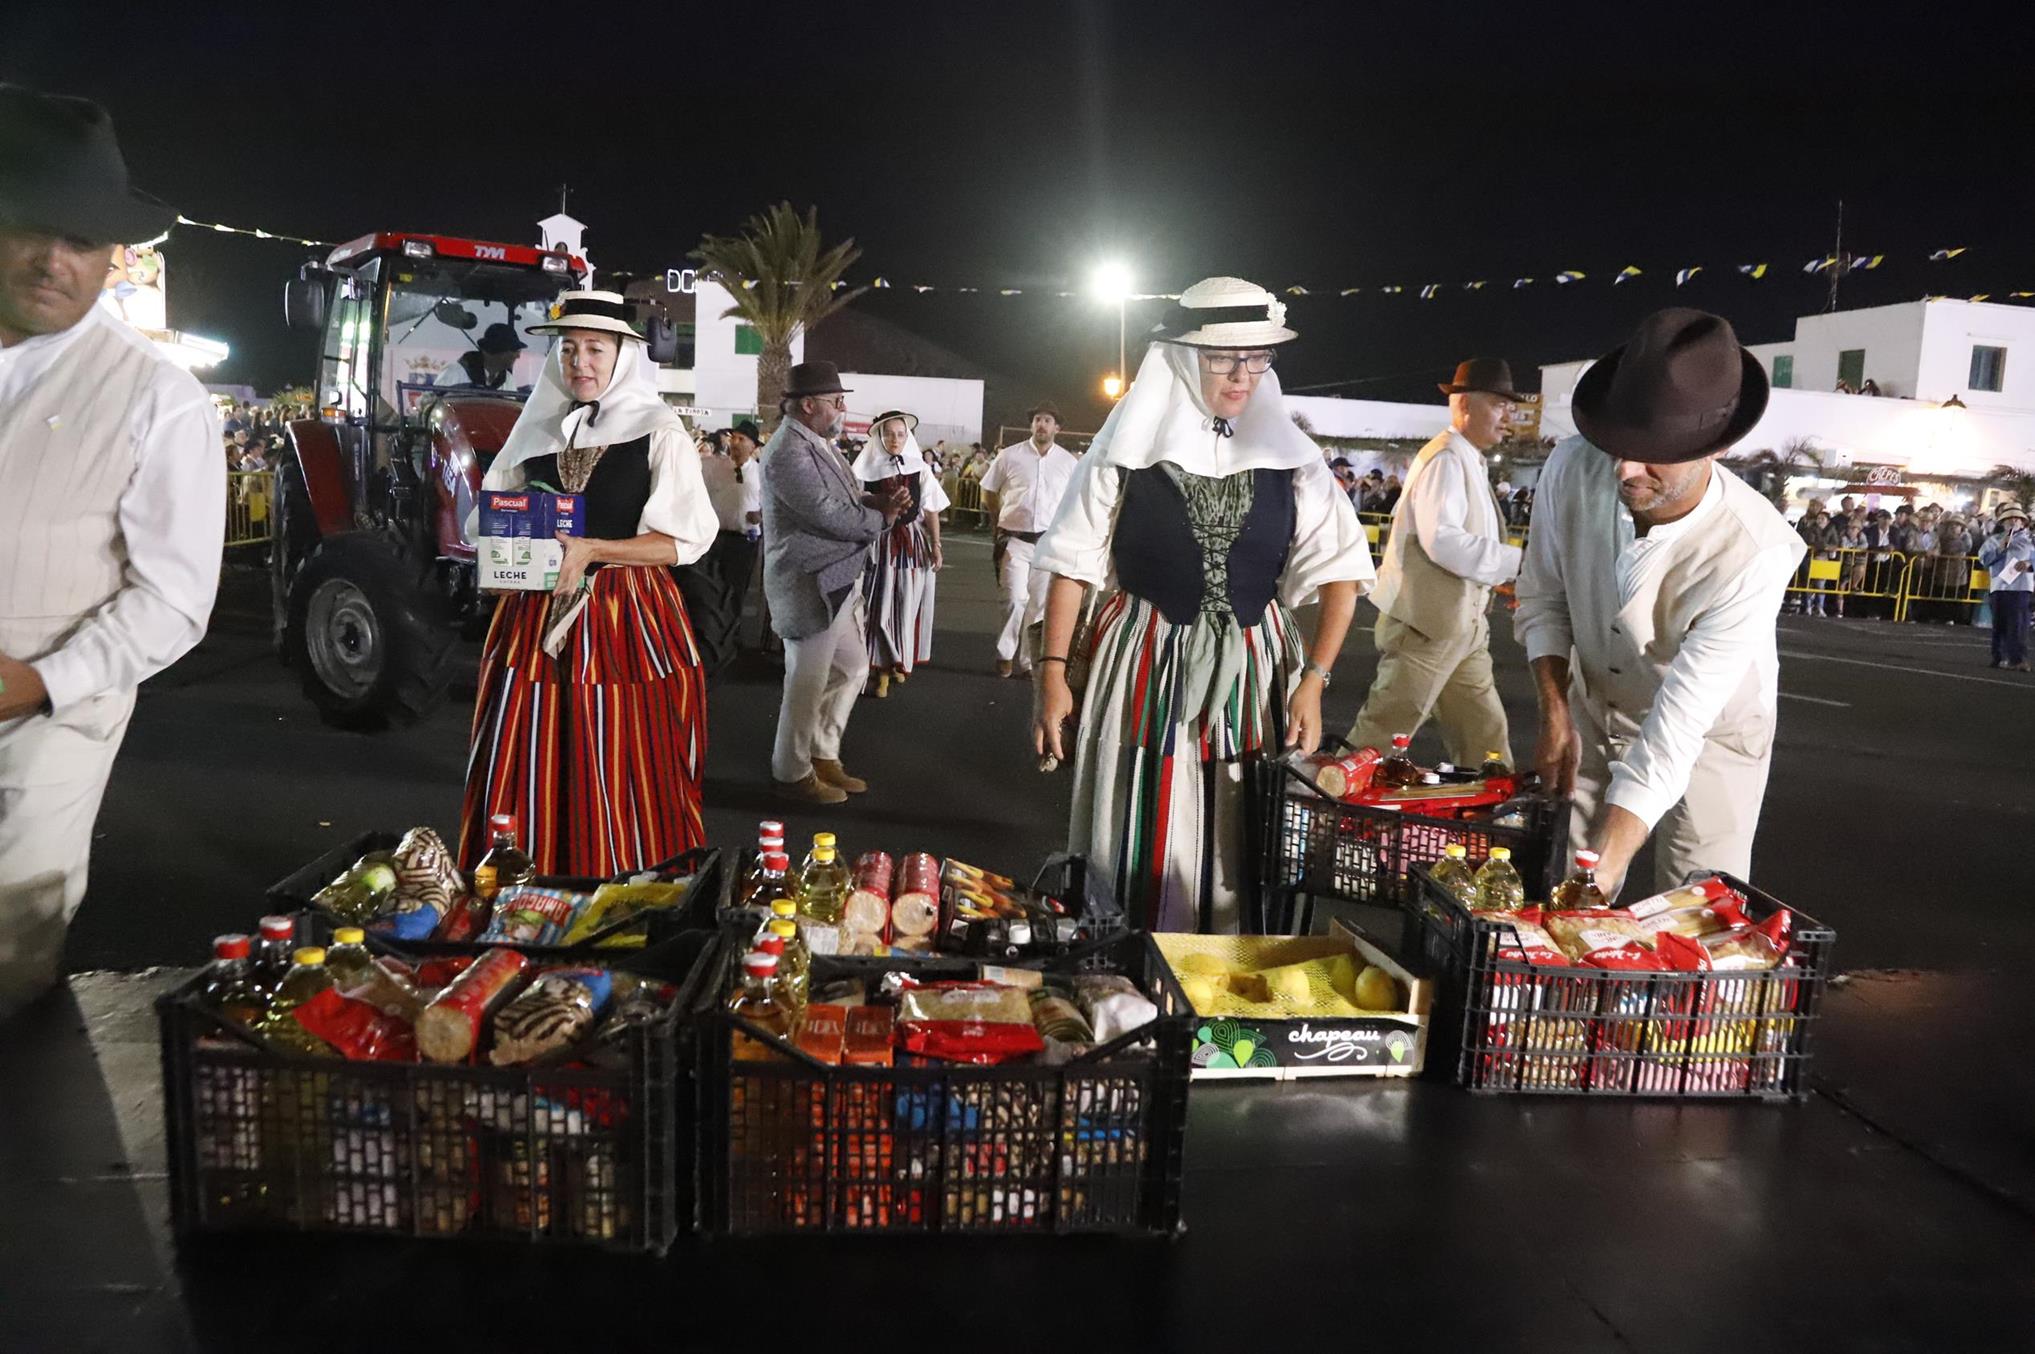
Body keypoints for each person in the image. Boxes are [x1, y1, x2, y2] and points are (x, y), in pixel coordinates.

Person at [1031, 276, 1374, 933]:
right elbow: (1070, 566)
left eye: (1257, 357)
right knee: (1140, 805)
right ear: (1183, 357)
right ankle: (1124, 959)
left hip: (1254, 663)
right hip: (1140, 655)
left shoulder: (1290, 460)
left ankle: (1224, 972)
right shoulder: (1123, 452)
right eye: (1223, 357)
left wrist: (1315, 679)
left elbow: (1341, 574)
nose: (1243, 374)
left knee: (1237, 818)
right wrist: (1051, 673)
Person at [0, 85, 224, 1016]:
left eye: (84, 241)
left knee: (8, 969)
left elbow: (172, 599)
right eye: (34, 227)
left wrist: (40, 681)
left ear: (112, 259)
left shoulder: (156, 396)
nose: (55, 260)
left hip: (42, 727)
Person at [1517, 307, 1804, 901]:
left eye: (1654, 452)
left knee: (1699, 908)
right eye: (1619, 443)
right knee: (1564, 890)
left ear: (1715, 448)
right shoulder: (1573, 465)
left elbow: (1677, 733)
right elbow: (1543, 597)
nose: (1625, 467)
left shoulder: (1757, 551)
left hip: (1713, 732)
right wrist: (1555, 710)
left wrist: (1611, 864)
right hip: (1594, 702)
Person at [460, 291, 718, 874]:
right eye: (570, 348)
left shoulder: (658, 430)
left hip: (625, 615)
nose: (581, 361)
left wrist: (596, 549)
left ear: (622, 356)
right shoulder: (536, 431)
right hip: (535, 613)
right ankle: (527, 874)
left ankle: (622, 874)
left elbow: (683, 542)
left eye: (595, 349)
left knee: (623, 744)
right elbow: (492, 522)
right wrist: (502, 564)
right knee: (529, 745)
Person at [1348, 357, 1528, 766]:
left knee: (1485, 736)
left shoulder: (1464, 458)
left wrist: (1498, 575)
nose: (1509, 416)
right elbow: (1443, 542)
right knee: (1380, 735)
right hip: (1428, 628)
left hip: (1460, 628)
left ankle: (1489, 813)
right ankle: (1327, 809)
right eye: (1499, 405)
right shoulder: (1446, 459)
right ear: (1464, 406)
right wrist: (1516, 562)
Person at [762, 361, 908, 805]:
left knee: (853, 668)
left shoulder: (816, 443)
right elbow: (827, 514)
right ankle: (791, 771)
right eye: (836, 400)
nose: (843, 407)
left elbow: (845, 498)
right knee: (805, 684)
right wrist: (880, 516)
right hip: (811, 584)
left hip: (836, 582)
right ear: (809, 405)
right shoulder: (788, 451)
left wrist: (876, 500)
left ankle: (822, 753)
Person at [853, 410, 949, 696]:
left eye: (900, 434)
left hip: (910, 544)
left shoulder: (919, 469)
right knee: (878, 605)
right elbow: (854, 505)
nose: (894, 439)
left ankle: (897, 659)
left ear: (907, 437)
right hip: (878, 541)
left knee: (906, 604)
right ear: (879, 437)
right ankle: (881, 666)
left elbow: (930, 508)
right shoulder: (863, 469)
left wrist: (936, 545)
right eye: (889, 433)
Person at [980, 403, 1079, 678]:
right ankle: (1005, 654)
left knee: (1039, 605)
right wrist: (996, 519)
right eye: (1037, 419)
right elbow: (988, 490)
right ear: (1031, 425)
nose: (1042, 425)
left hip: (1048, 543)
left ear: (1057, 428)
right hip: (1015, 539)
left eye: (1048, 420)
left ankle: (1028, 661)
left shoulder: (1068, 463)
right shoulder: (1009, 456)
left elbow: (1073, 500)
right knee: (1013, 598)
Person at [696, 418, 764, 645]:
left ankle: (731, 638)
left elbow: (772, 505)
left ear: (754, 446)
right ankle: (710, 634)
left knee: (736, 590)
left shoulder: (761, 473)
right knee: (711, 588)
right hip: (715, 539)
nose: (734, 443)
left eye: (741, 439)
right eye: (733, 437)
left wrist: (760, 516)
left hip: (743, 541)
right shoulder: (715, 466)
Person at [1979, 503, 2033, 670]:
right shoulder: (1993, 541)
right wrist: (2000, 549)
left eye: (2017, 518)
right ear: (2002, 522)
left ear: (2023, 522)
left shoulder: (2030, 541)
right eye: (2009, 519)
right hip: (1999, 587)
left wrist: (2029, 564)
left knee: (2017, 624)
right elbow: (1984, 560)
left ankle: (2017, 659)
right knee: (1999, 623)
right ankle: (1998, 656)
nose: (2013, 521)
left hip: (2020, 588)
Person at [435, 321, 527, 390]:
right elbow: (432, 403)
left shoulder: (508, 380)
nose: (518, 356)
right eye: (514, 350)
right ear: (497, 351)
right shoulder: (455, 373)